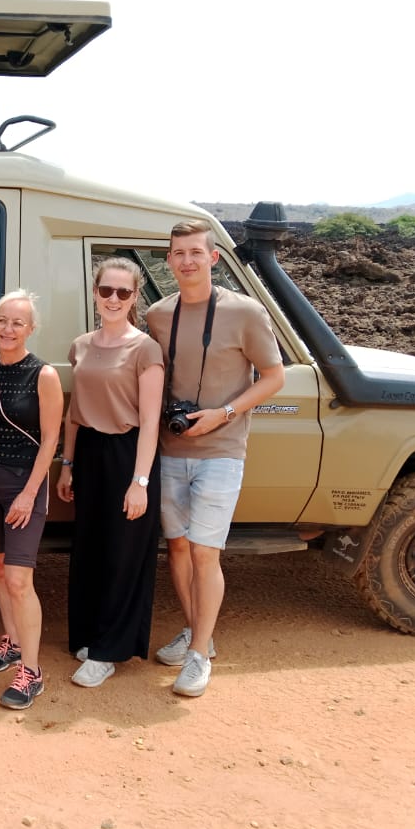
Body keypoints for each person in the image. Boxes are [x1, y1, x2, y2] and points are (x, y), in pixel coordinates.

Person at [145, 219, 285, 697]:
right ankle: (195, 631)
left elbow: (273, 377)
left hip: (222, 450)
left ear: (214, 258)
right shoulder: (158, 315)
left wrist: (224, 413)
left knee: (206, 551)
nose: (186, 261)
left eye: (195, 253)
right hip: (173, 447)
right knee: (178, 549)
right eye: (178, 253)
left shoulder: (245, 312)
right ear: (168, 261)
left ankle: (200, 655)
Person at [56, 259, 164, 688]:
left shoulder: (145, 349)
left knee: (124, 554)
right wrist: (67, 465)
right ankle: (88, 634)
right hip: (89, 453)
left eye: (123, 292)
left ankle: (111, 650)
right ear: (95, 293)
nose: (114, 299)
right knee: (91, 549)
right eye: (107, 291)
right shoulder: (80, 346)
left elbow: (151, 421)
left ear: (135, 297)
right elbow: (73, 414)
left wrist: (140, 482)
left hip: (128, 452)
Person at [0, 290, 63, 709]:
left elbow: (51, 438)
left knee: (21, 580)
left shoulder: (45, 375)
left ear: (31, 329)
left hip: (24, 485)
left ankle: (32, 673)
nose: (8, 329)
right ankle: (13, 642)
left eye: (18, 323)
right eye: (2, 321)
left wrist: (29, 493)